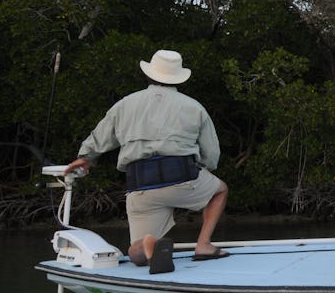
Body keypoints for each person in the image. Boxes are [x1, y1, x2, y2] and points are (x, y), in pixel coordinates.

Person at [64, 49, 229, 274]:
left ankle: (146, 244)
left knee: (136, 253)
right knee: (219, 190)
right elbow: (212, 154)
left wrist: (85, 158)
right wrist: (205, 171)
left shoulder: (125, 104)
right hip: (183, 177)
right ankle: (203, 245)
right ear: (178, 77)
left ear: (149, 75)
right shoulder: (194, 107)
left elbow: (101, 135)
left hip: (141, 187)